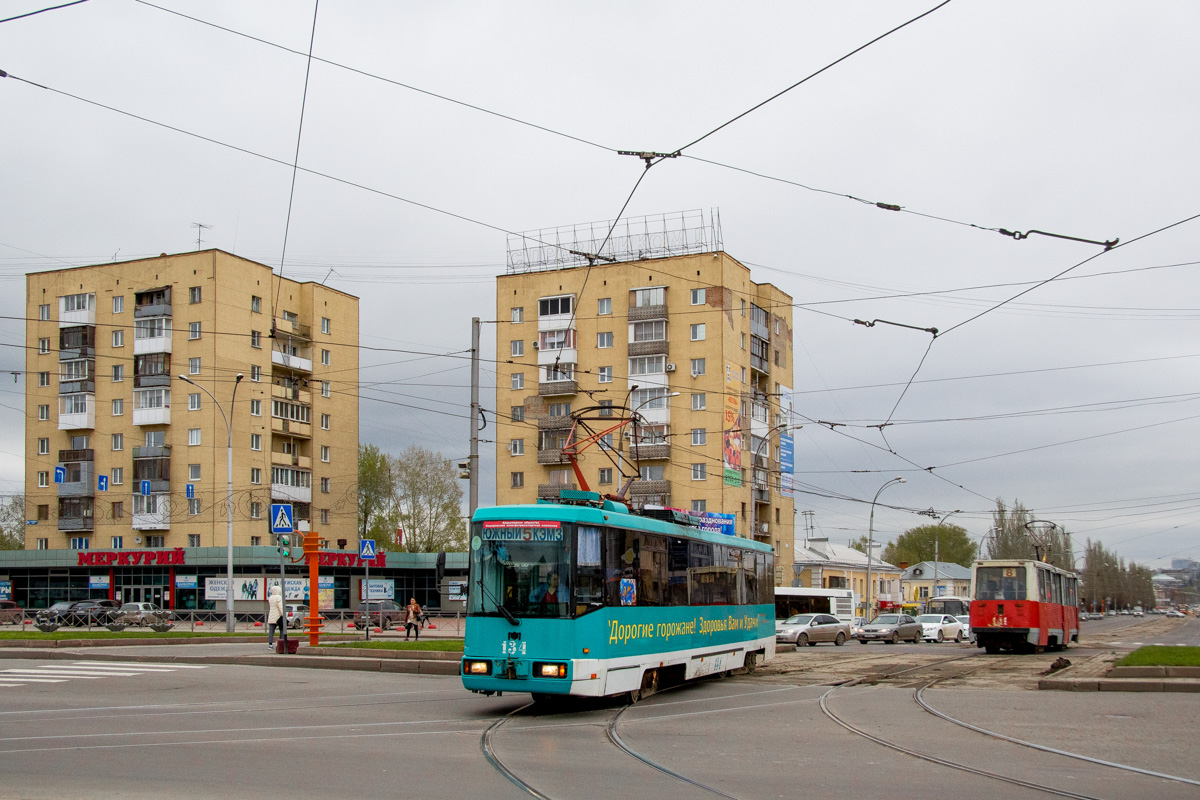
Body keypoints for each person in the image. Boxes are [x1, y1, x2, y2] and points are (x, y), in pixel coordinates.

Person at [266, 585, 285, 651]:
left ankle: (270, 644)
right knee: (282, 630)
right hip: (278, 617)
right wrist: (283, 615)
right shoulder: (279, 597)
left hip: (271, 616)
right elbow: (280, 607)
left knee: (271, 631)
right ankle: (280, 643)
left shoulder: (270, 597)